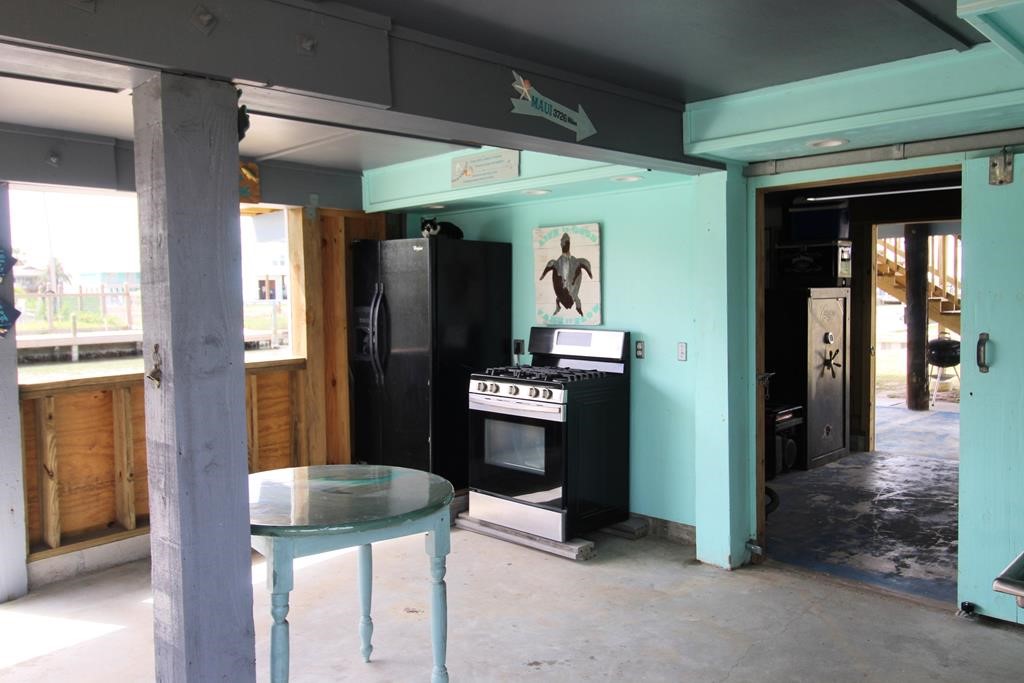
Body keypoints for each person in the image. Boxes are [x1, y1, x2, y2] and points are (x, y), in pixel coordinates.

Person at [539, 232, 592, 316]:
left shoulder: (576, 262)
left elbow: (585, 263)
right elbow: (549, 265)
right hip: (561, 291)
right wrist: (543, 275)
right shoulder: (556, 263)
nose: (563, 244)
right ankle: (559, 307)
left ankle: (578, 308)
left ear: (567, 243)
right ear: (561, 244)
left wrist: (590, 273)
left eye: (565, 242)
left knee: (574, 298)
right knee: (560, 298)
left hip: (572, 290)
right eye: (563, 242)